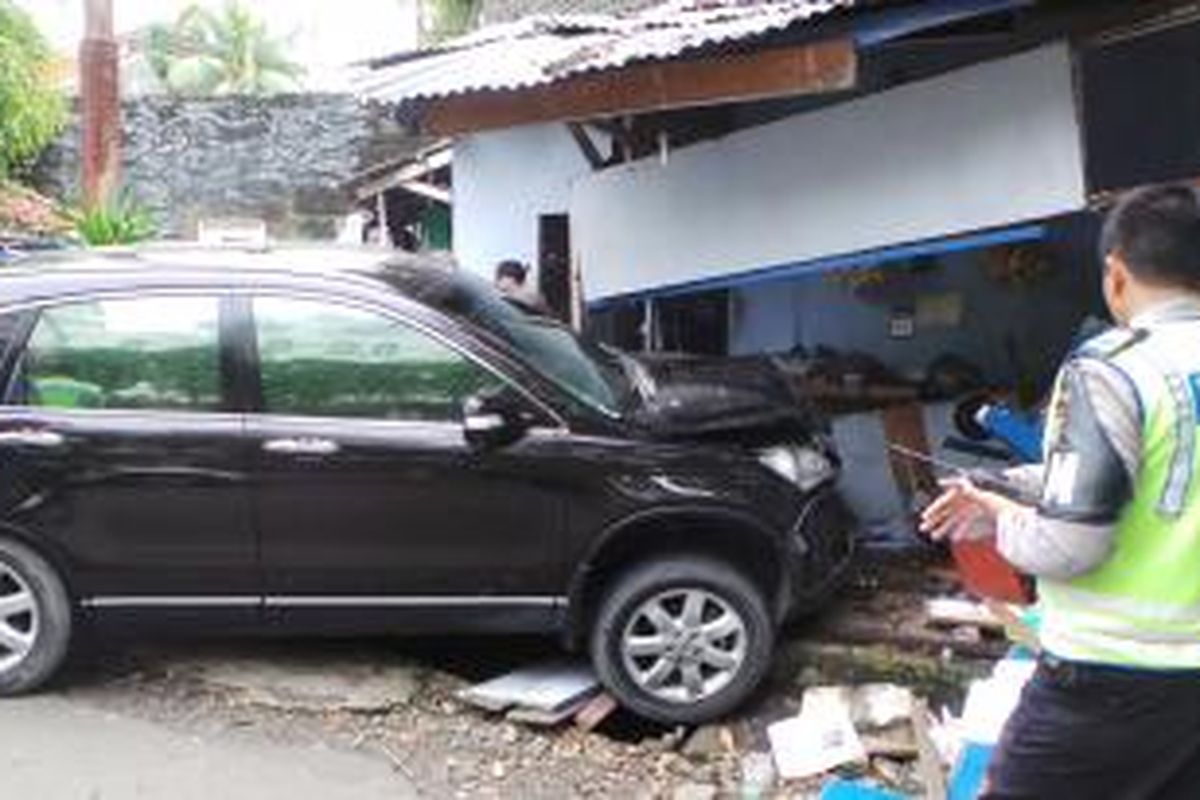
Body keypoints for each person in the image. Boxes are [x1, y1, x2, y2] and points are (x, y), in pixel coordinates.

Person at [921, 184, 1200, 799]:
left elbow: (1070, 548)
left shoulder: (1114, 368)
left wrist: (998, 516)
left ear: (1116, 275)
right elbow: (1164, 469)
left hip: (1110, 683)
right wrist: (1011, 483)